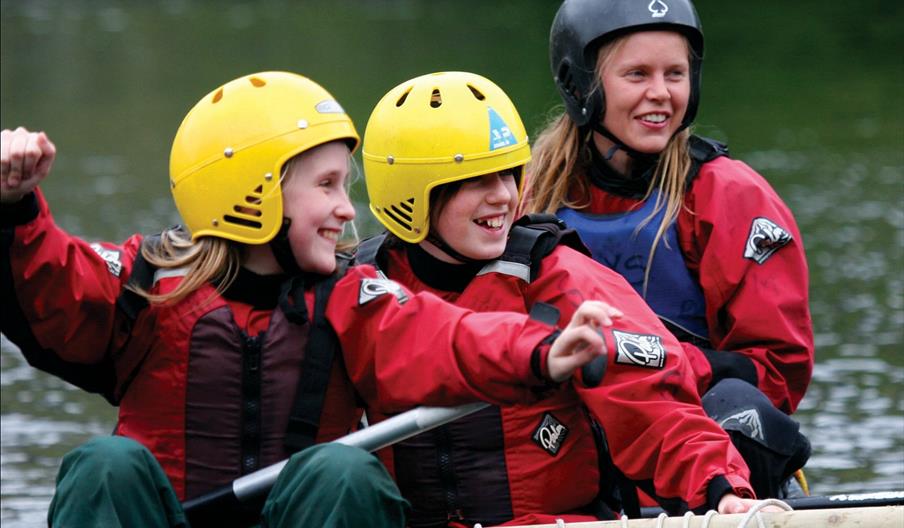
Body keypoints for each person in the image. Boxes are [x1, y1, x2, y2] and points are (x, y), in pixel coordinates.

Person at [0, 71, 612, 528]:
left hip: (297, 518)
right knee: (105, 464)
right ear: (250, 192)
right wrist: (16, 206)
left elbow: (444, 337)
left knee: (342, 472)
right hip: (171, 515)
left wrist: (543, 349)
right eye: (326, 186)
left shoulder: (350, 296)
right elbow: (50, 281)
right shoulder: (144, 280)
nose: (349, 210)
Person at [357, 70, 780, 527]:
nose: (504, 196)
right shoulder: (361, 293)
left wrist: (722, 489)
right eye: (477, 180)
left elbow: (655, 409)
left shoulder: (561, 278)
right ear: (411, 194)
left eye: (509, 173)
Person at [522, 0, 814, 499]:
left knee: (740, 402)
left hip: (694, 444)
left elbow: (779, 368)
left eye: (675, 73)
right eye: (637, 74)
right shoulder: (526, 195)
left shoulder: (729, 195)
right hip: (563, 445)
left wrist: (654, 364)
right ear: (580, 85)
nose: (660, 94)